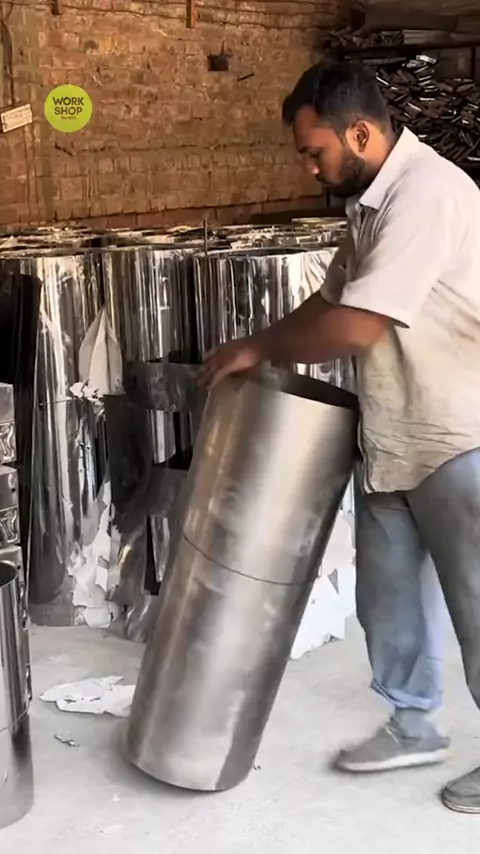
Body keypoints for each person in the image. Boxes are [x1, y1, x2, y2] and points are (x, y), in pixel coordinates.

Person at [201, 60, 480, 814]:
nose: (309, 167)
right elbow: (330, 303)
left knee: (478, 603)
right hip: (395, 436)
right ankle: (413, 723)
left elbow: (356, 326)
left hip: (460, 436)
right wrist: (257, 344)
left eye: (314, 151)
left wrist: (262, 349)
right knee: (387, 599)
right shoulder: (370, 205)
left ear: (360, 133)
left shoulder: (427, 195)